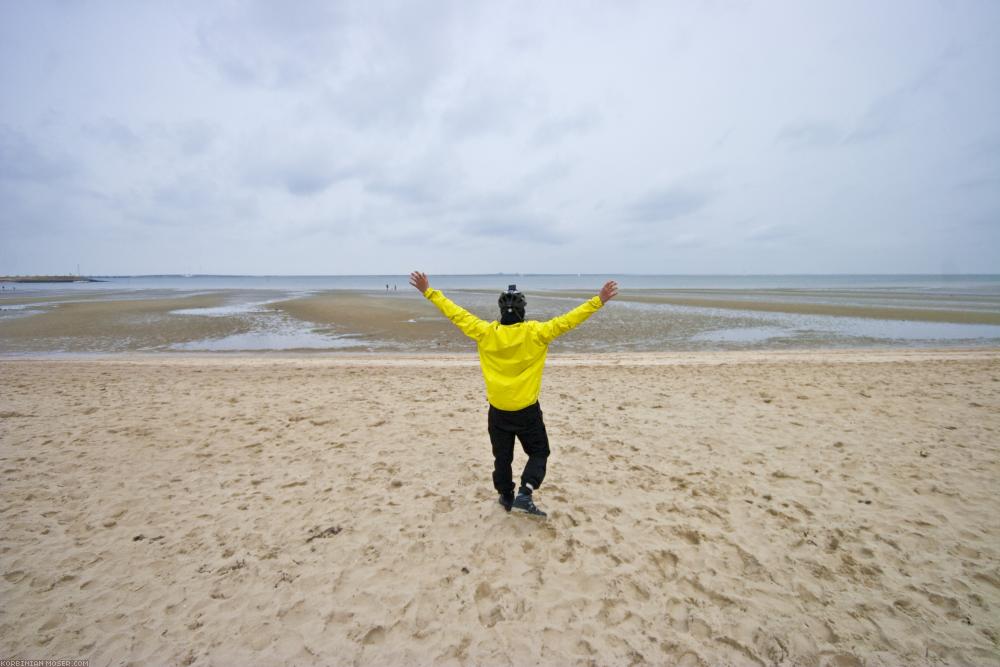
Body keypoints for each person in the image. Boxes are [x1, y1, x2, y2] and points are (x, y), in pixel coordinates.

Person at [409, 271, 618, 517]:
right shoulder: (537, 333)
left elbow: (455, 313)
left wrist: (428, 291)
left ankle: (506, 496)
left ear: (501, 311)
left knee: (502, 457)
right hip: (526, 410)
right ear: (523, 311)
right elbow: (570, 320)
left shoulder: (485, 332)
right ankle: (524, 493)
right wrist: (599, 300)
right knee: (539, 452)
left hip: (498, 410)